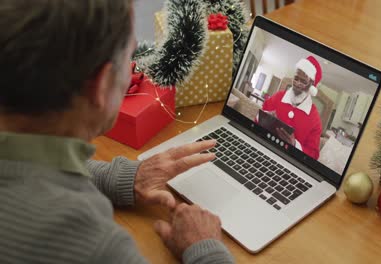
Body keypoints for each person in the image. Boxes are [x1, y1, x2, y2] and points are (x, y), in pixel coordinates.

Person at [0, 1, 233, 263]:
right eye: (130, 57)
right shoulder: (95, 246)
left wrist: (122, 178)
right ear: (101, 85)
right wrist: (205, 248)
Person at [261, 56, 323, 159]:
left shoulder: (315, 118)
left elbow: (313, 156)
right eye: (296, 78)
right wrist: (263, 119)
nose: (297, 83)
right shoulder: (278, 97)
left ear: (312, 85)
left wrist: (294, 144)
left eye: (303, 81)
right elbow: (256, 121)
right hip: (264, 149)